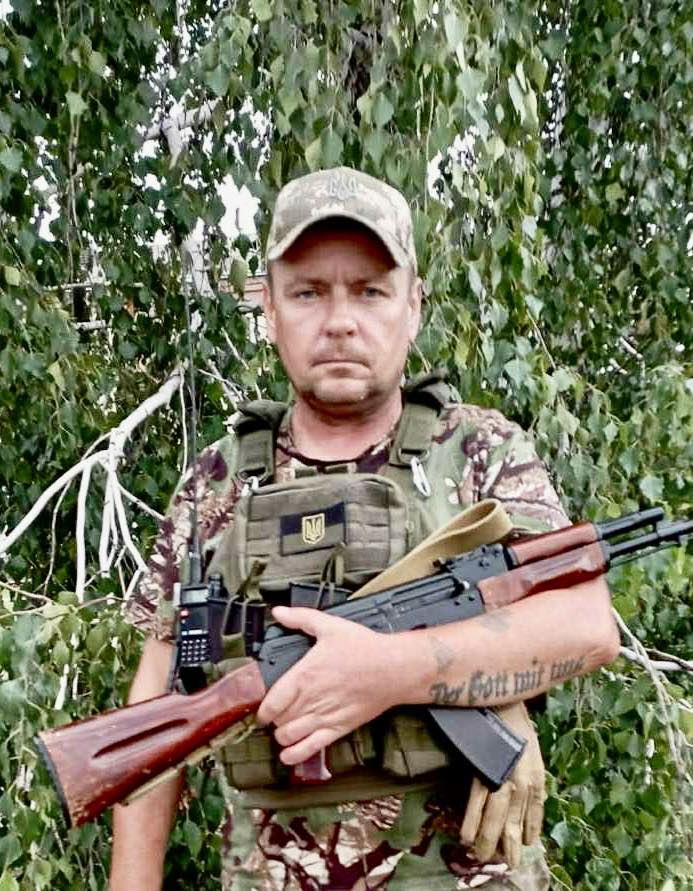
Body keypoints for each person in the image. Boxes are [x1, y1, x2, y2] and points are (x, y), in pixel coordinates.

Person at [112, 167, 619, 890]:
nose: (340, 321)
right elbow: (149, 723)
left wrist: (386, 672)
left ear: (413, 306)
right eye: (308, 292)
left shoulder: (479, 451)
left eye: (370, 291)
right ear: (268, 309)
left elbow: (585, 625)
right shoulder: (217, 481)